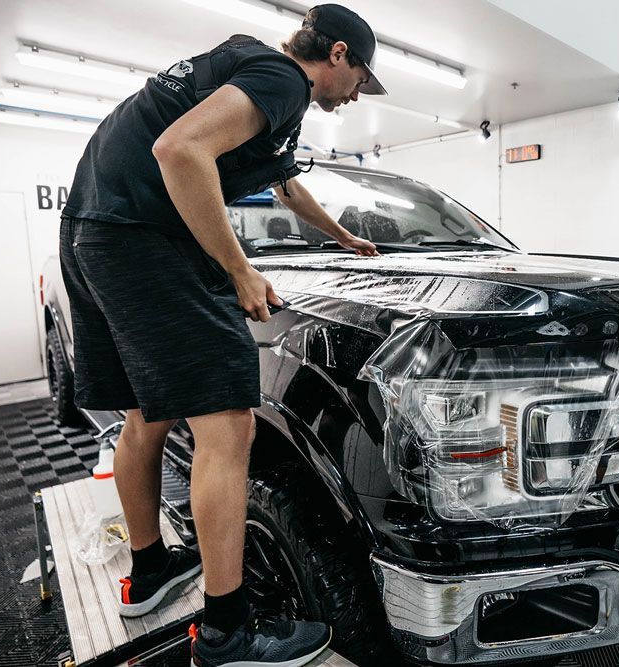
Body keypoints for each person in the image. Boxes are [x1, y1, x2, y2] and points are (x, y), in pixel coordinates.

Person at [58, 5, 385, 665]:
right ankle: (227, 632)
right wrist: (239, 268)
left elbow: (284, 186)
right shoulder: (283, 79)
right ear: (340, 54)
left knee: (148, 412)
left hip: (95, 228)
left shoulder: (261, 86)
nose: (355, 97)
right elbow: (178, 151)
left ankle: (149, 569)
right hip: (144, 237)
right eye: (360, 81)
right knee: (228, 423)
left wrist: (346, 238)